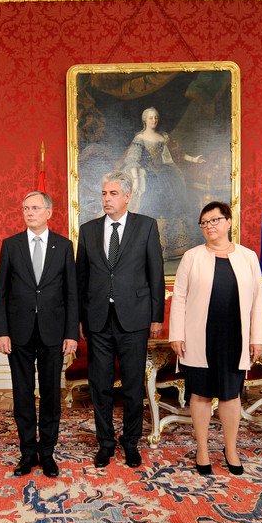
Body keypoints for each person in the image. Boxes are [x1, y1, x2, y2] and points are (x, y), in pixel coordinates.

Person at [169, 202, 262, 476]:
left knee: (230, 395)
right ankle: (202, 449)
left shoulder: (248, 257)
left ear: (228, 222)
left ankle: (230, 449)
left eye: (214, 220)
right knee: (200, 394)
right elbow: (179, 297)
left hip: (234, 337)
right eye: (204, 222)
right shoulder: (192, 257)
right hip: (199, 336)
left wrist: (257, 337)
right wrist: (176, 334)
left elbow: (257, 301)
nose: (209, 226)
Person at [76, 170, 165, 469]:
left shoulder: (146, 226)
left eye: (113, 193)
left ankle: (131, 442)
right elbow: (81, 278)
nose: (106, 199)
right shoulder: (88, 230)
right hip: (98, 320)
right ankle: (105, 443)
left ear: (127, 196)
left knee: (132, 386)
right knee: (99, 385)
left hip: (135, 319)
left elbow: (155, 273)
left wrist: (156, 316)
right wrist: (80, 318)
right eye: (104, 193)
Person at [0, 191, 79, 478]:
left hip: (53, 332)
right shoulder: (11, 245)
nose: (29, 213)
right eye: (25, 208)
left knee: (51, 395)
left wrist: (71, 333)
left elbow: (71, 293)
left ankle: (48, 453)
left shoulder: (64, 246)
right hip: (18, 332)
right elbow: (1, 293)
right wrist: (1, 331)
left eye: (35, 208)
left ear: (48, 213)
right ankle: (28, 453)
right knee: (23, 394)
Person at [120, 107, 204, 259]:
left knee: (175, 205)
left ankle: (172, 247)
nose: (154, 120)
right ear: (145, 120)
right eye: (151, 118)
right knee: (151, 207)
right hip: (150, 177)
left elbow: (178, 154)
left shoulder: (164, 136)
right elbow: (133, 160)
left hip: (168, 175)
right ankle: (151, 246)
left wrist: (194, 159)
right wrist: (136, 180)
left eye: (156, 117)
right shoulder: (140, 138)